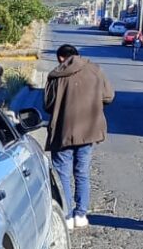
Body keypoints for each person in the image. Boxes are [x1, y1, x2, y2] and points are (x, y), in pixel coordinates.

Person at [44, 44, 115, 230]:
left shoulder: (56, 75)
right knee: (82, 172)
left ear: (61, 58)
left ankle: (66, 216)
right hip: (89, 130)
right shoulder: (95, 70)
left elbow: (48, 104)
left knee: (62, 173)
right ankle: (81, 215)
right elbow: (108, 96)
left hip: (63, 132)